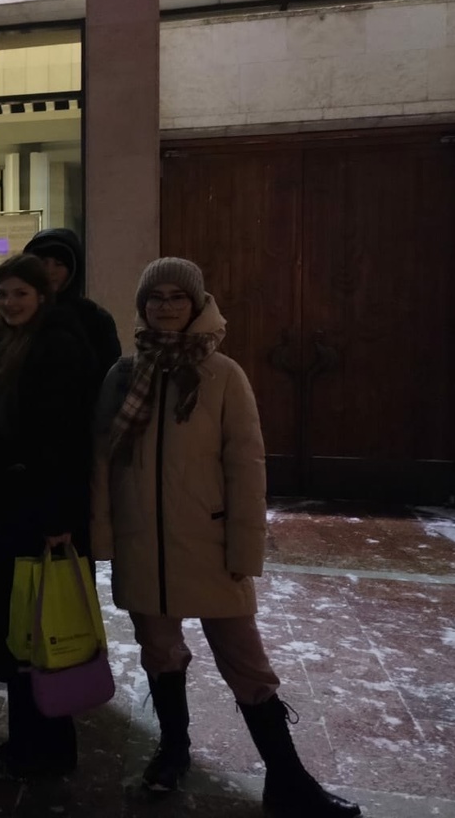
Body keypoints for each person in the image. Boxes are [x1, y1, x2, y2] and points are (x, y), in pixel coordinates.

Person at [91, 258, 360, 818]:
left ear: (196, 304)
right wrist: (105, 538)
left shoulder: (222, 374)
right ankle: (173, 750)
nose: (166, 306)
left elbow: (246, 468)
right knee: (160, 653)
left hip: (211, 546)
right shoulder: (124, 374)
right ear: (142, 305)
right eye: (155, 297)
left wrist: (245, 549)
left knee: (247, 664)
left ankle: (287, 778)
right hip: (143, 546)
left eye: (177, 297)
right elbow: (102, 465)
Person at [0, 254, 96, 780]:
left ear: (43, 295)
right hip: (11, 507)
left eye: (20, 293)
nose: (9, 302)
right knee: (24, 629)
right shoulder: (7, 342)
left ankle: (47, 745)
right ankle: (30, 739)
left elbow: (66, 440)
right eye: (2, 294)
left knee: (40, 627)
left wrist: (58, 516)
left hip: (39, 511)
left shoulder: (58, 346)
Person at [22, 228, 121, 389]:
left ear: (73, 270)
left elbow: (109, 380)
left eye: (59, 264)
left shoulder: (94, 318)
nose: (49, 271)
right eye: (43, 262)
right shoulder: (19, 311)